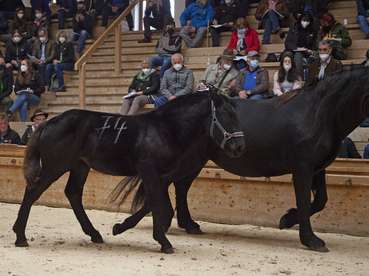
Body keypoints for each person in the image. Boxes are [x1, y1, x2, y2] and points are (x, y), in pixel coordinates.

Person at [284, 12, 318, 77]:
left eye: (307, 21)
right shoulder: (294, 28)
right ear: (300, 20)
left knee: (315, 57)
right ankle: (299, 78)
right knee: (298, 56)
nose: (305, 22)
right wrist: (296, 48)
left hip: (307, 51)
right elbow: (287, 43)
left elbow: (315, 44)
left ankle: (312, 78)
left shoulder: (312, 30)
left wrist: (311, 50)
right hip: (294, 50)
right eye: (304, 20)